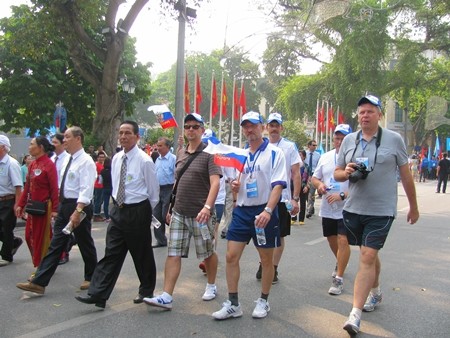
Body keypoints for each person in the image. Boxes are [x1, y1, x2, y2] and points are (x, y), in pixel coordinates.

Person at [334, 95, 419, 335]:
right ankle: (376, 290)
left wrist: (413, 206)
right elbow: (337, 173)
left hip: (381, 210)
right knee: (367, 254)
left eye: (370, 111)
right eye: (361, 112)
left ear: (379, 114)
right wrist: (347, 171)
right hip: (354, 208)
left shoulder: (394, 140)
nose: (365, 116)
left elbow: (405, 175)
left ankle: (354, 315)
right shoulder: (349, 140)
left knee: (368, 255)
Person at [75, 120, 159, 308]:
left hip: (138, 210)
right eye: (121, 133)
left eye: (128, 133)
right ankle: (98, 294)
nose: (123, 136)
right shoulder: (117, 158)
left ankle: (146, 290)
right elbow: (115, 184)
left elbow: (154, 193)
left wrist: (144, 213)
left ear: (137, 137)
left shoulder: (145, 161)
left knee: (141, 254)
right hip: (118, 211)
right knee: (111, 253)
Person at [212, 111, 287, 320]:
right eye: (245, 126)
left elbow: (278, 185)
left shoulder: (274, 153)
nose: (249, 130)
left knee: (266, 259)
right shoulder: (241, 155)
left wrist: (268, 211)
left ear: (262, 127)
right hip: (243, 211)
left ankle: (263, 300)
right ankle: (233, 304)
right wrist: (236, 186)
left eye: (253, 125)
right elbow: (237, 183)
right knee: (231, 256)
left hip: (264, 210)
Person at [144, 113, 221, 310]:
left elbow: (215, 183)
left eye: (195, 126)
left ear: (202, 130)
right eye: (187, 126)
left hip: (201, 214)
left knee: (207, 252)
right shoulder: (181, 153)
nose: (191, 130)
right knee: (173, 253)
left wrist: (207, 207)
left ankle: (211, 285)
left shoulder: (210, 155)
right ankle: (167, 295)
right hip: (179, 212)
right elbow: (177, 182)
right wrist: (170, 206)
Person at [16, 126, 98, 294]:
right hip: (65, 205)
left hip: (78, 206)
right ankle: (40, 282)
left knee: (84, 242)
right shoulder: (68, 159)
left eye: (67, 137)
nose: (64, 140)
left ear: (78, 139)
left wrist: (78, 210)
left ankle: (92, 276)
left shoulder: (86, 161)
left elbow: (86, 189)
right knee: (56, 244)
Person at [255, 112, 300, 284]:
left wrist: (295, 198)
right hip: (262, 198)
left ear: (281, 127)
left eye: (277, 125)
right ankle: (264, 262)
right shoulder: (260, 146)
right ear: (266, 128)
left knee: (279, 234)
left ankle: (273, 268)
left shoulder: (289, 147)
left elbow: (295, 173)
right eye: (271, 125)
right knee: (261, 232)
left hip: (282, 199)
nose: (273, 128)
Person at [311, 124, 352, 296]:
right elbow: (315, 177)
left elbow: (362, 187)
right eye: (337, 138)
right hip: (328, 207)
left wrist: (342, 195)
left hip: (348, 207)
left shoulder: (355, 159)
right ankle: (340, 261)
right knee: (331, 239)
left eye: (343, 138)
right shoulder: (326, 157)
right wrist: (319, 185)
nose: (339, 141)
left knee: (343, 240)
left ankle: (339, 279)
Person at [16, 137, 59, 274]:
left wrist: (55, 210)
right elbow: (27, 187)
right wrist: (20, 205)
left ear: (40, 147)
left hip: (44, 208)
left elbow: (54, 189)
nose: (29, 147)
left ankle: (41, 269)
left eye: (32, 144)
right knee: (29, 236)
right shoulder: (32, 165)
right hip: (33, 207)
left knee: (42, 238)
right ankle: (43, 263)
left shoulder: (49, 165)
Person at [0, 135, 23, 267]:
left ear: (3, 147)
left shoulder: (12, 164)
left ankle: (6, 256)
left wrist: (17, 204)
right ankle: (13, 242)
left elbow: (18, 186)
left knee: (7, 228)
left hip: (9, 200)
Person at [51, 133, 72, 265]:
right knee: (56, 228)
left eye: (55, 142)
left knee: (62, 228)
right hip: (53, 197)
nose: (52, 145)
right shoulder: (52, 158)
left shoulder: (67, 159)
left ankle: (64, 252)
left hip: (64, 198)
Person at [153, 136, 176, 248]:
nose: (158, 148)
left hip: (169, 189)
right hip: (158, 189)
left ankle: (178, 236)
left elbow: (177, 176)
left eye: (161, 146)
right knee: (156, 216)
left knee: (165, 215)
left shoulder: (173, 159)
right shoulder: (157, 159)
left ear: (167, 147)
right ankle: (161, 240)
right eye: (157, 145)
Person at [305, 139, 321, 218]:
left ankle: (309, 210)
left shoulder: (318, 155)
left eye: (316, 145)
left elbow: (319, 166)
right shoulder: (304, 154)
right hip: (305, 176)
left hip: (314, 175)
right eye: (313, 145)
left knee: (311, 193)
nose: (315, 147)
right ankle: (311, 207)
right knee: (307, 193)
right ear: (309, 146)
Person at [92, 151, 106, 222]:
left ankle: (98, 213)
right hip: (97, 185)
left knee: (100, 200)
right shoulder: (96, 165)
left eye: (103, 157)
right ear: (97, 158)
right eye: (100, 157)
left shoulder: (103, 165)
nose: (101, 158)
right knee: (97, 200)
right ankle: (96, 215)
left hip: (103, 185)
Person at [297, 150, 309, 225]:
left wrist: (307, 186)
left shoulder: (306, 166)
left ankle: (301, 219)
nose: (299, 156)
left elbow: (309, 177)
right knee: (293, 201)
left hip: (303, 186)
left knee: (302, 203)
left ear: (304, 157)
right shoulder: (294, 165)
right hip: (295, 186)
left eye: (300, 155)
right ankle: (293, 217)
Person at [100, 157, 112, 222]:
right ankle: (115, 215)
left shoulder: (102, 171)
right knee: (115, 203)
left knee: (106, 203)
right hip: (111, 187)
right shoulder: (112, 171)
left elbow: (100, 181)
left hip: (105, 188)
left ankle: (107, 217)